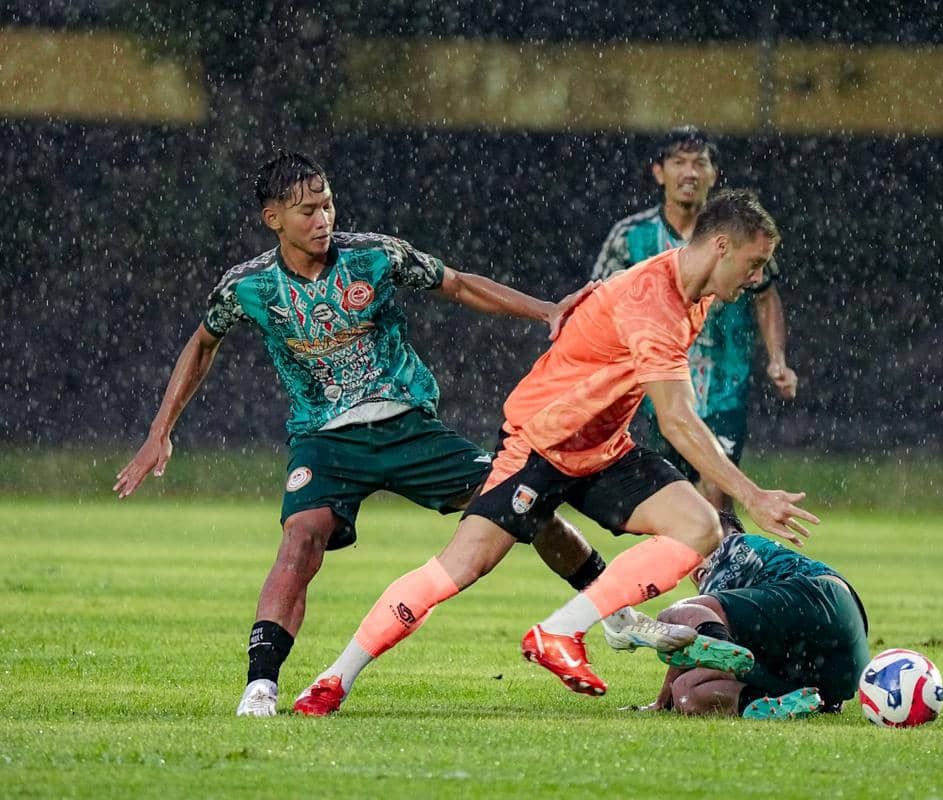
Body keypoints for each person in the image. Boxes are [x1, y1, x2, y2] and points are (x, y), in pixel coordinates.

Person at [113, 151, 617, 717]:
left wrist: (546, 310)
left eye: (327, 204)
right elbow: (203, 342)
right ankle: (261, 687)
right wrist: (161, 431)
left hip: (408, 427)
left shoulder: (375, 255)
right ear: (272, 218)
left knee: (525, 506)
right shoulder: (248, 286)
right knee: (300, 540)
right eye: (306, 211)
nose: (322, 218)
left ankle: (614, 609)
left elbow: (458, 285)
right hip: (326, 441)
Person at [293, 189, 820, 715]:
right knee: (459, 567)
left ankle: (566, 629)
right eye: (755, 264)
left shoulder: (696, 297)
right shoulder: (654, 303)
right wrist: (751, 494)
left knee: (700, 525)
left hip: (602, 448)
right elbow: (678, 419)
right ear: (721, 246)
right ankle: (334, 678)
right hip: (541, 445)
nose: (756, 278)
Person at [591, 125, 798, 511]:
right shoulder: (631, 236)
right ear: (659, 172)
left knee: (717, 492)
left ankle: (721, 566)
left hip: (723, 383)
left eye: (699, 163)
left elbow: (766, 295)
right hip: (656, 386)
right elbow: (598, 300)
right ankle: (685, 565)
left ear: (713, 174)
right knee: (671, 497)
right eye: (679, 162)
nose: (690, 173)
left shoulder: (738, 233)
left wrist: (777, 358)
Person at [629, 512, 869, 721]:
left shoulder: (733, 543)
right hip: (834, 671)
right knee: (687, 692)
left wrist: (661, 700)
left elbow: (688, 625)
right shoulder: (749, 607)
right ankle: (770, 703)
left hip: (825, 600)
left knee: (673, 614)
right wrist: (667, 700)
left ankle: (724, 657)